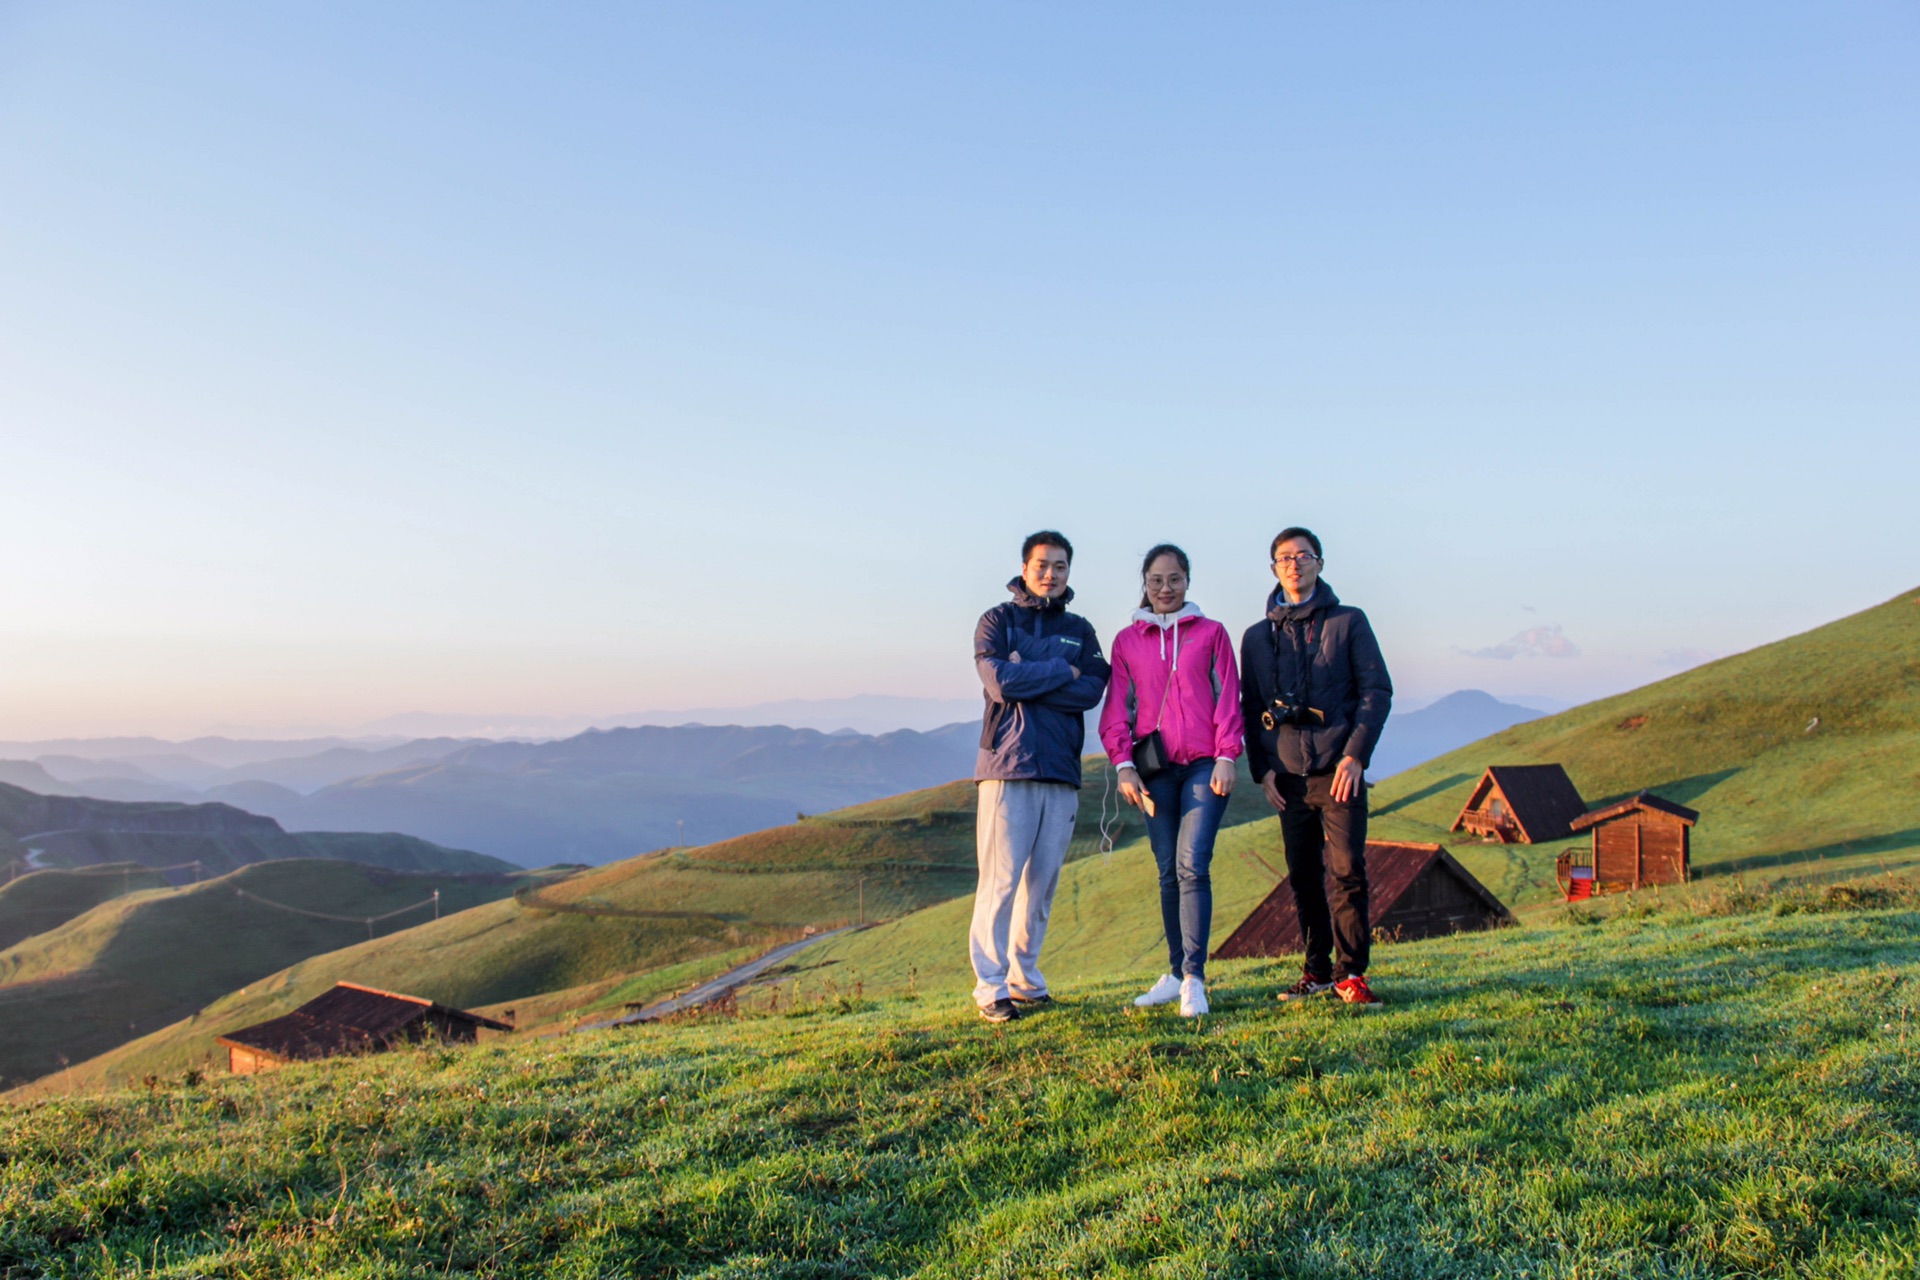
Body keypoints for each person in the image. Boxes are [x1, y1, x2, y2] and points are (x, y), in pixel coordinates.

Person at [1239, 527, 1392, 1007]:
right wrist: (1261, 770)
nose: (1295, 563)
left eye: (1304, 555)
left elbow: (1377, 691)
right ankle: (1317, 971)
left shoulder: (1349, 622)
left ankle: (1352, 974)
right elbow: (1250, 708)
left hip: (1337, 769)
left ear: (1320, 564)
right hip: (1287, 776)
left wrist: (1356, 755)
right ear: (1273, 569)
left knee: (1347, 871)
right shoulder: (1257, 637)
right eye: (1285, 557)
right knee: (1303, 875)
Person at [969, 530, 1111, 1023]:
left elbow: (1092, 689)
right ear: (1024, 568)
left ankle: (1025, 981)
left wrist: (1034, 674)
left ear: (1069, 571)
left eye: (1060, 566)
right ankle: (990, 988)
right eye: (1042, 565)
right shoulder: (997, 621)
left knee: (1042, 886)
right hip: (1008, 768)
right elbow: (1000, 682)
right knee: (1001, 883)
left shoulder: (1082, 629)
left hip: (1062, 771)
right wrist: (1061, 671)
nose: (1051, 574)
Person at [1099, 544, 1242, 1018]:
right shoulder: (1126, 641)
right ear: (1145, 581)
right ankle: (1176, 972)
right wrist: (1123, 765)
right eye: (1157, 580)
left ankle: (1195, 981)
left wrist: (1226, 755)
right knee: (1166, 871)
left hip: (1205, 765)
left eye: (1175, 579)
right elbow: (1117, 708)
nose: (1165, 588)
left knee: (1191, 864)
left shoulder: (1213, 633)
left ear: (1188, 582)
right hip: (1154, 771)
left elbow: (1229, 698)